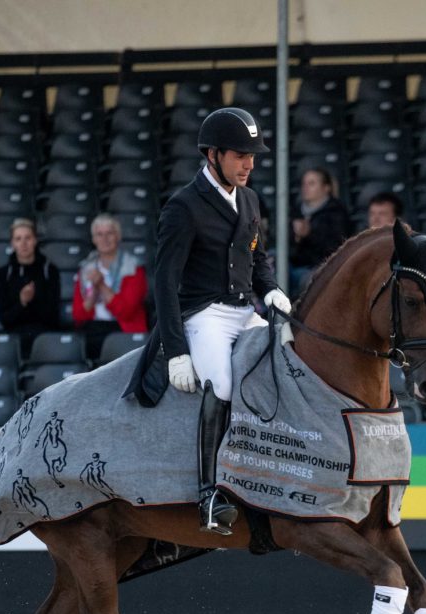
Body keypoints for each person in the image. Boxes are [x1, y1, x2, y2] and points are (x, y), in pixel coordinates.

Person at [124, 107, 292, 535]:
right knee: (220, 381)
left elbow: (257, 256)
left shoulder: (250, 199)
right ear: (213, 154)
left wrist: (269, 287)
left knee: (285, 364)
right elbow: (164, 282)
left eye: (252, 156)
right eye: (240, 155)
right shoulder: (184, 206)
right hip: (205, 314)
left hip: (243, 310)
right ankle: (210, 495)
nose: (249, 164)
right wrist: (178, 352)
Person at [72, 213, 148, 361]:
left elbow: (126, 312)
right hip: (94, 329)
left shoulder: (133, 267)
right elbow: (79, 315)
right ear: (93, 239)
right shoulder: (86, 268)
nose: (104, 239)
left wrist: (101, 285)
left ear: (118, 236)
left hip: (123, 330)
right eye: (99, 234)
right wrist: (93, 293)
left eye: (109, 233)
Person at [0, 218, 63, 352]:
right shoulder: (3, 274)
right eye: (18, 239)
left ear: (35, 240)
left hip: (44, 336)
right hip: (14, 337)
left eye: (28, 238)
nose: (23, 243)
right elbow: (4, 319)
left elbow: (53, 316)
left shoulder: (49, 271)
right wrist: (22, 302)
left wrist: (32, 300)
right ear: (12, 243)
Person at [288, 167, 349, 293]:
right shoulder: (296, 211)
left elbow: (335, 248)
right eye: (304, 183)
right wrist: (296, 238)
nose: (305, 188)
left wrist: (309, 234)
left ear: (326, 188)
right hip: (293, 266)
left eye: (311, 183)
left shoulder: (337, 212)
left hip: (320, 269)